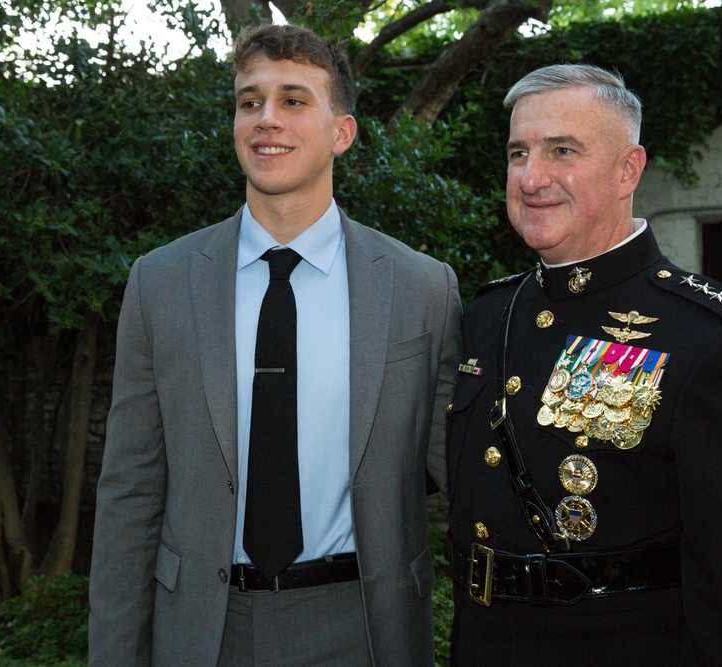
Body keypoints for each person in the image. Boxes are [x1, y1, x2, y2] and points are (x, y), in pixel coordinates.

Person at [88, 24, 461, 666]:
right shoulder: (161, 282)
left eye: (293, 100)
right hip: (204, 630)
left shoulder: (421, 287)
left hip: (365, 630)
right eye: (249, 101)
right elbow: (130, 493)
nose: (266, 119)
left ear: (341, 132)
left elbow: (463, 475)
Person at [445, 64, 722, 665]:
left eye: (562, 150)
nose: (532, 177)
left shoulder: (711, 337)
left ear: (627, 170)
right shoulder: (489, 315)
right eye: (518, 153)